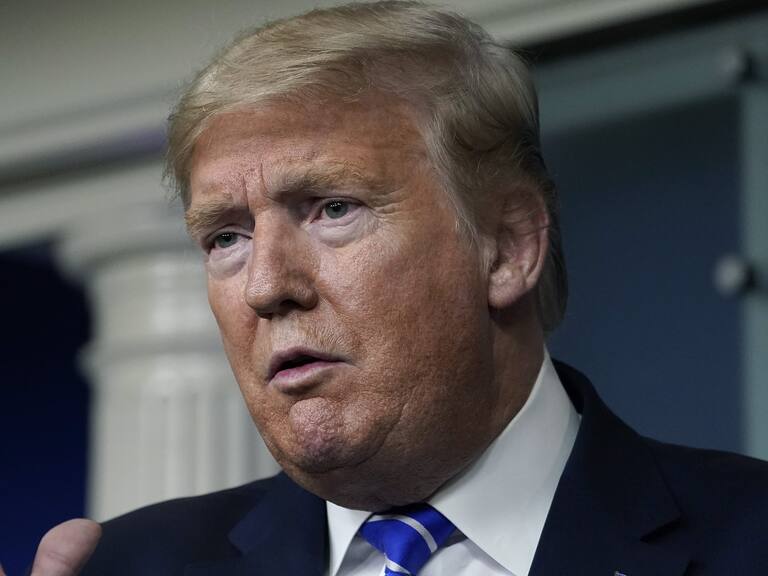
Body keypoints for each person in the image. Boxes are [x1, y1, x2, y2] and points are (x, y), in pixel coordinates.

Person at [10, 1, 768, 575]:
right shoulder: (137, 566)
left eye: (333, 209)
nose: (267, 286)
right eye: (226, 238)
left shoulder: (748, 536)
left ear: (506, 247)